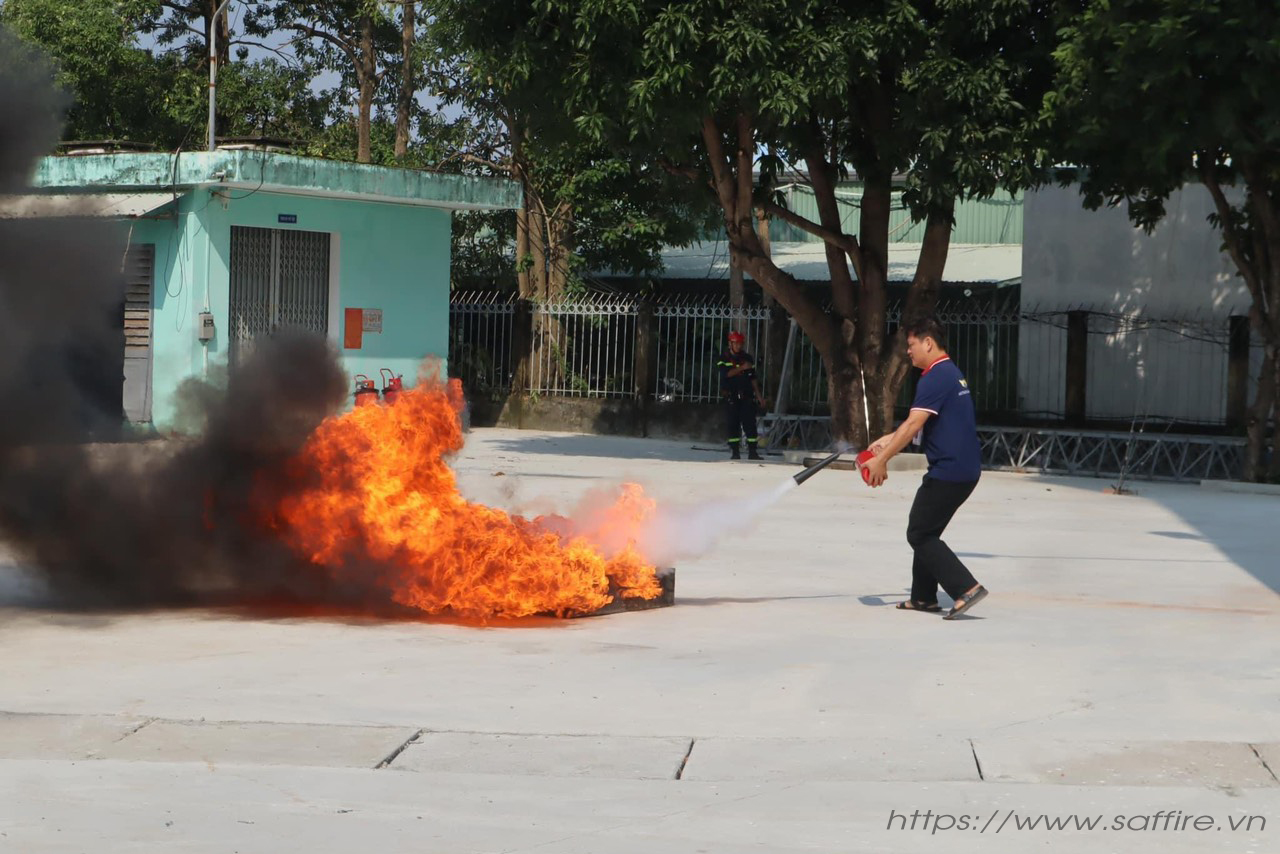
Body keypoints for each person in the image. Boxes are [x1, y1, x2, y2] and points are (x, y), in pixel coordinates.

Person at [862, 316, 988, 620]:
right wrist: (887, 440)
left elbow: (914, 424)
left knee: (919, 533)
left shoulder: (934, 377)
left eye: (911, 344)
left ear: (927, 342)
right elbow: (919, 424)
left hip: (950, 471)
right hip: (963, 468)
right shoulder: (949, 373)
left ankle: (966, 588)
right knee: (926, 529)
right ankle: (923, 598)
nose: (908, 351)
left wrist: (882, 460)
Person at [716, 330, 764, 460]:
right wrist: (741, 368)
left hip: (747, 397)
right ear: (730, 343)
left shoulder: (747, 358)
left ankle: (753, 451)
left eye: (740, 343)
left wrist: (759, 396)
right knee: (733, 424)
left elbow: (753, 378)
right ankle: (735, 452)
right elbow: (726, 374)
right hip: (731, 397)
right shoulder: (723, 358)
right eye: (735, 343)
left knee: (750, 424)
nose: (738, 346)